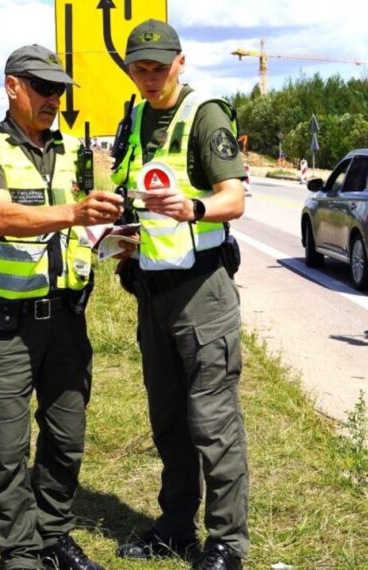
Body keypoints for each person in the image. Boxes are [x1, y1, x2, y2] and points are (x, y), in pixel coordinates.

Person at [0, 43, 125, 570]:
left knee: (66, 440)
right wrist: (74, 213)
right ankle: (22, 555)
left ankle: (54, 536)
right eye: (43, 88)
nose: (54, 99)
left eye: (59, 90)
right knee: (8, 452)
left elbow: (89, 222)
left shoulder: (74, 150)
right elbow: (1, 216)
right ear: (13, 86)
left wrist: (117, 234)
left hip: (68, 324)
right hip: (8, 328)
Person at [108, 19, 250, 570]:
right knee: (167, 418)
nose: (148, 78)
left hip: (201, 293)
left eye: (158, 68)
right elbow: (133, 192)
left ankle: (226, 544)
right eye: (139, 68)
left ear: (180, 62)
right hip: (152, 291)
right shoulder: (136, 115)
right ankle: (175, 527)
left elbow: (234, 198)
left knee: (212, 421)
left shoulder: (203, 113)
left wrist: (193, 209)